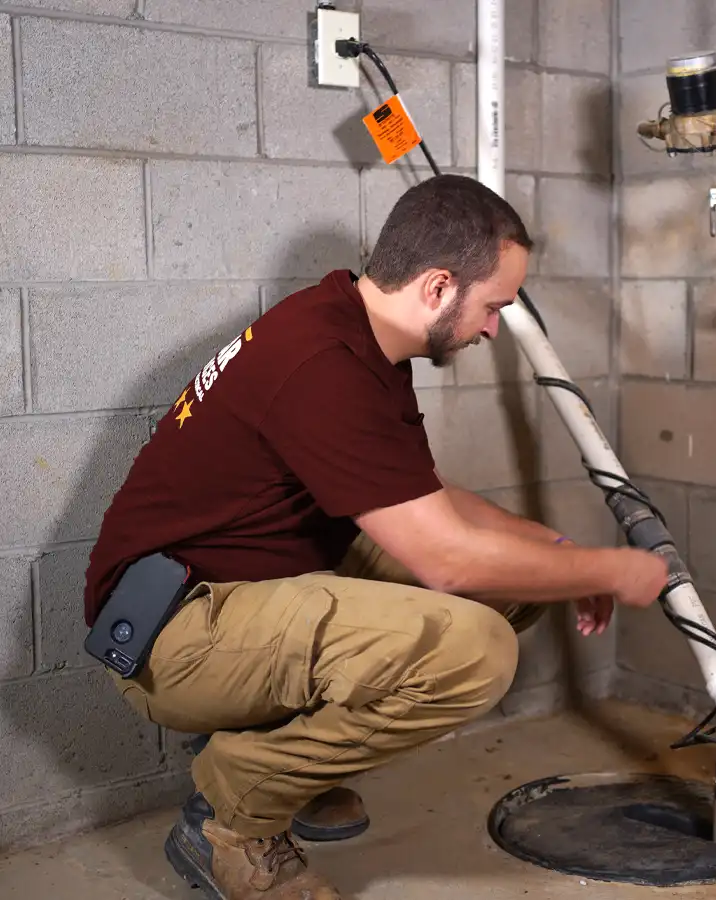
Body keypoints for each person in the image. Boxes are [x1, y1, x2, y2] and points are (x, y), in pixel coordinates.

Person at [83, 173, 668, 900]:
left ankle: (281, 765)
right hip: (173, 634)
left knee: (518, 582)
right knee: (472, 649)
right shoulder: (321, 363)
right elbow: (445, 559)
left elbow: (422, 496)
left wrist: (555, 554)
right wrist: (612, 569)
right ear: (437, 286)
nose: (492, 329)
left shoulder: (352, 330)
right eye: (493, 307)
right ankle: (235, 811)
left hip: (240, 588)